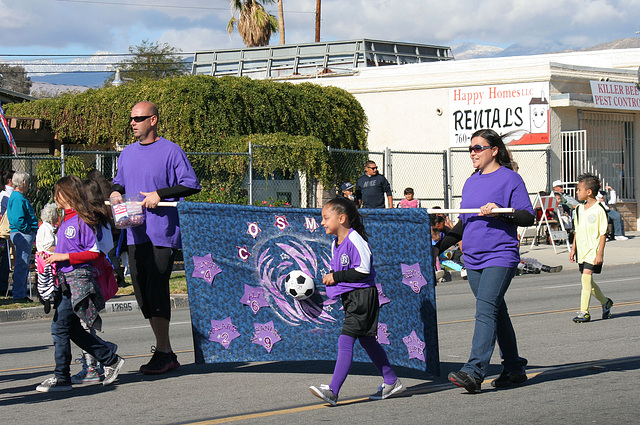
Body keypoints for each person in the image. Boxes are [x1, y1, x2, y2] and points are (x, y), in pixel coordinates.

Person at [435, 129, 535, 394]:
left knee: (485, 310)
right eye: (471, 148)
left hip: (500, 256)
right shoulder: (471, 182)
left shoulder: (510, 179)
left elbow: (528, 216)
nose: (473, 153)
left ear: (493, 150)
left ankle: (474, 370)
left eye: (478, 148)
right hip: (474, 258)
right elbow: (462, 224)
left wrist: (500, 213)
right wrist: (435, 249)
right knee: (495, 312)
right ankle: (514, 368)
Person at [110, 101, 201, 374]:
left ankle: (163, 351)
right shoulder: (126, 153)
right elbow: (120, 181)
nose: (133, 123)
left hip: (162, 233)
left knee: (156, 289)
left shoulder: (171, 151)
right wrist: (115, 192)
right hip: (134, 230)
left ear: (153, 120)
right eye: (131, 118)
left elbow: (190, 184)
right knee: (142, 294)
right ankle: (165, 350)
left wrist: (160, 194)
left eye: (138, 118)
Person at [309, 197, 404, 406]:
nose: (322, 222)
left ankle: (333, 391)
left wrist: (337, 277)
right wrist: (334, 276)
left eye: (326, 218)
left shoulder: (355, 240)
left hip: (363, 297)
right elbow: (345, 270)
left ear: (342, 218)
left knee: (345, 341)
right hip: (353, 298)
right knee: (367, 340)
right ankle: (391, 381)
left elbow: (363, 270)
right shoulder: (336, 243)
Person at [36, 176, 124, 392]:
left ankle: (62, 377)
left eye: (58, 193)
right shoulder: (65, 220)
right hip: (65, 281)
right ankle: (110, 359)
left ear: (68, 194)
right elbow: (68, 251)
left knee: (59, 328)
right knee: (72, 329)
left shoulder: (80, 220)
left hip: (78, 281)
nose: (55, 198)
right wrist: (51, 256)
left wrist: (63, 257)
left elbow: (93, 252)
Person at [569, 173, 614, 323]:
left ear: (589, 192)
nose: (577, 192)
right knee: (587, 281)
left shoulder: (599, 210)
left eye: (579, 190)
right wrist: (573, 248)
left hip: (593, 251)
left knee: (585, 279)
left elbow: (603, 234)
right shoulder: (578, 210)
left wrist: (600, 254)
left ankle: (584, 312)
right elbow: (577, 230)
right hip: (582, 250)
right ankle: (606, 302)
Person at [7, 171, 38, 303]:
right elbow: (18, 220)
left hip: (21, 233)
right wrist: (29, 230)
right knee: (23, 263)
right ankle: (19, 294)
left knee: (22, 263)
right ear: (23, 183)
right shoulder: (18, 198)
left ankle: (19, 292)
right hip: (23, 234)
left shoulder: (15, 197)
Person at [35, 203, 59, 313]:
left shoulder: (49, 227)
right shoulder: (46, 228)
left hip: (46, 257)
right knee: (48, 279)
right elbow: (48, 246)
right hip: (46, 258)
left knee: (50, 280)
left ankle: (52, 299)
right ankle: (47, 300)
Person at [0, 170, 14, 294]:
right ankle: (2, 286)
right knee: (6, 258)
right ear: (10, 180)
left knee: (8, 257)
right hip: (6, 231)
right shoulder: (5, 195)